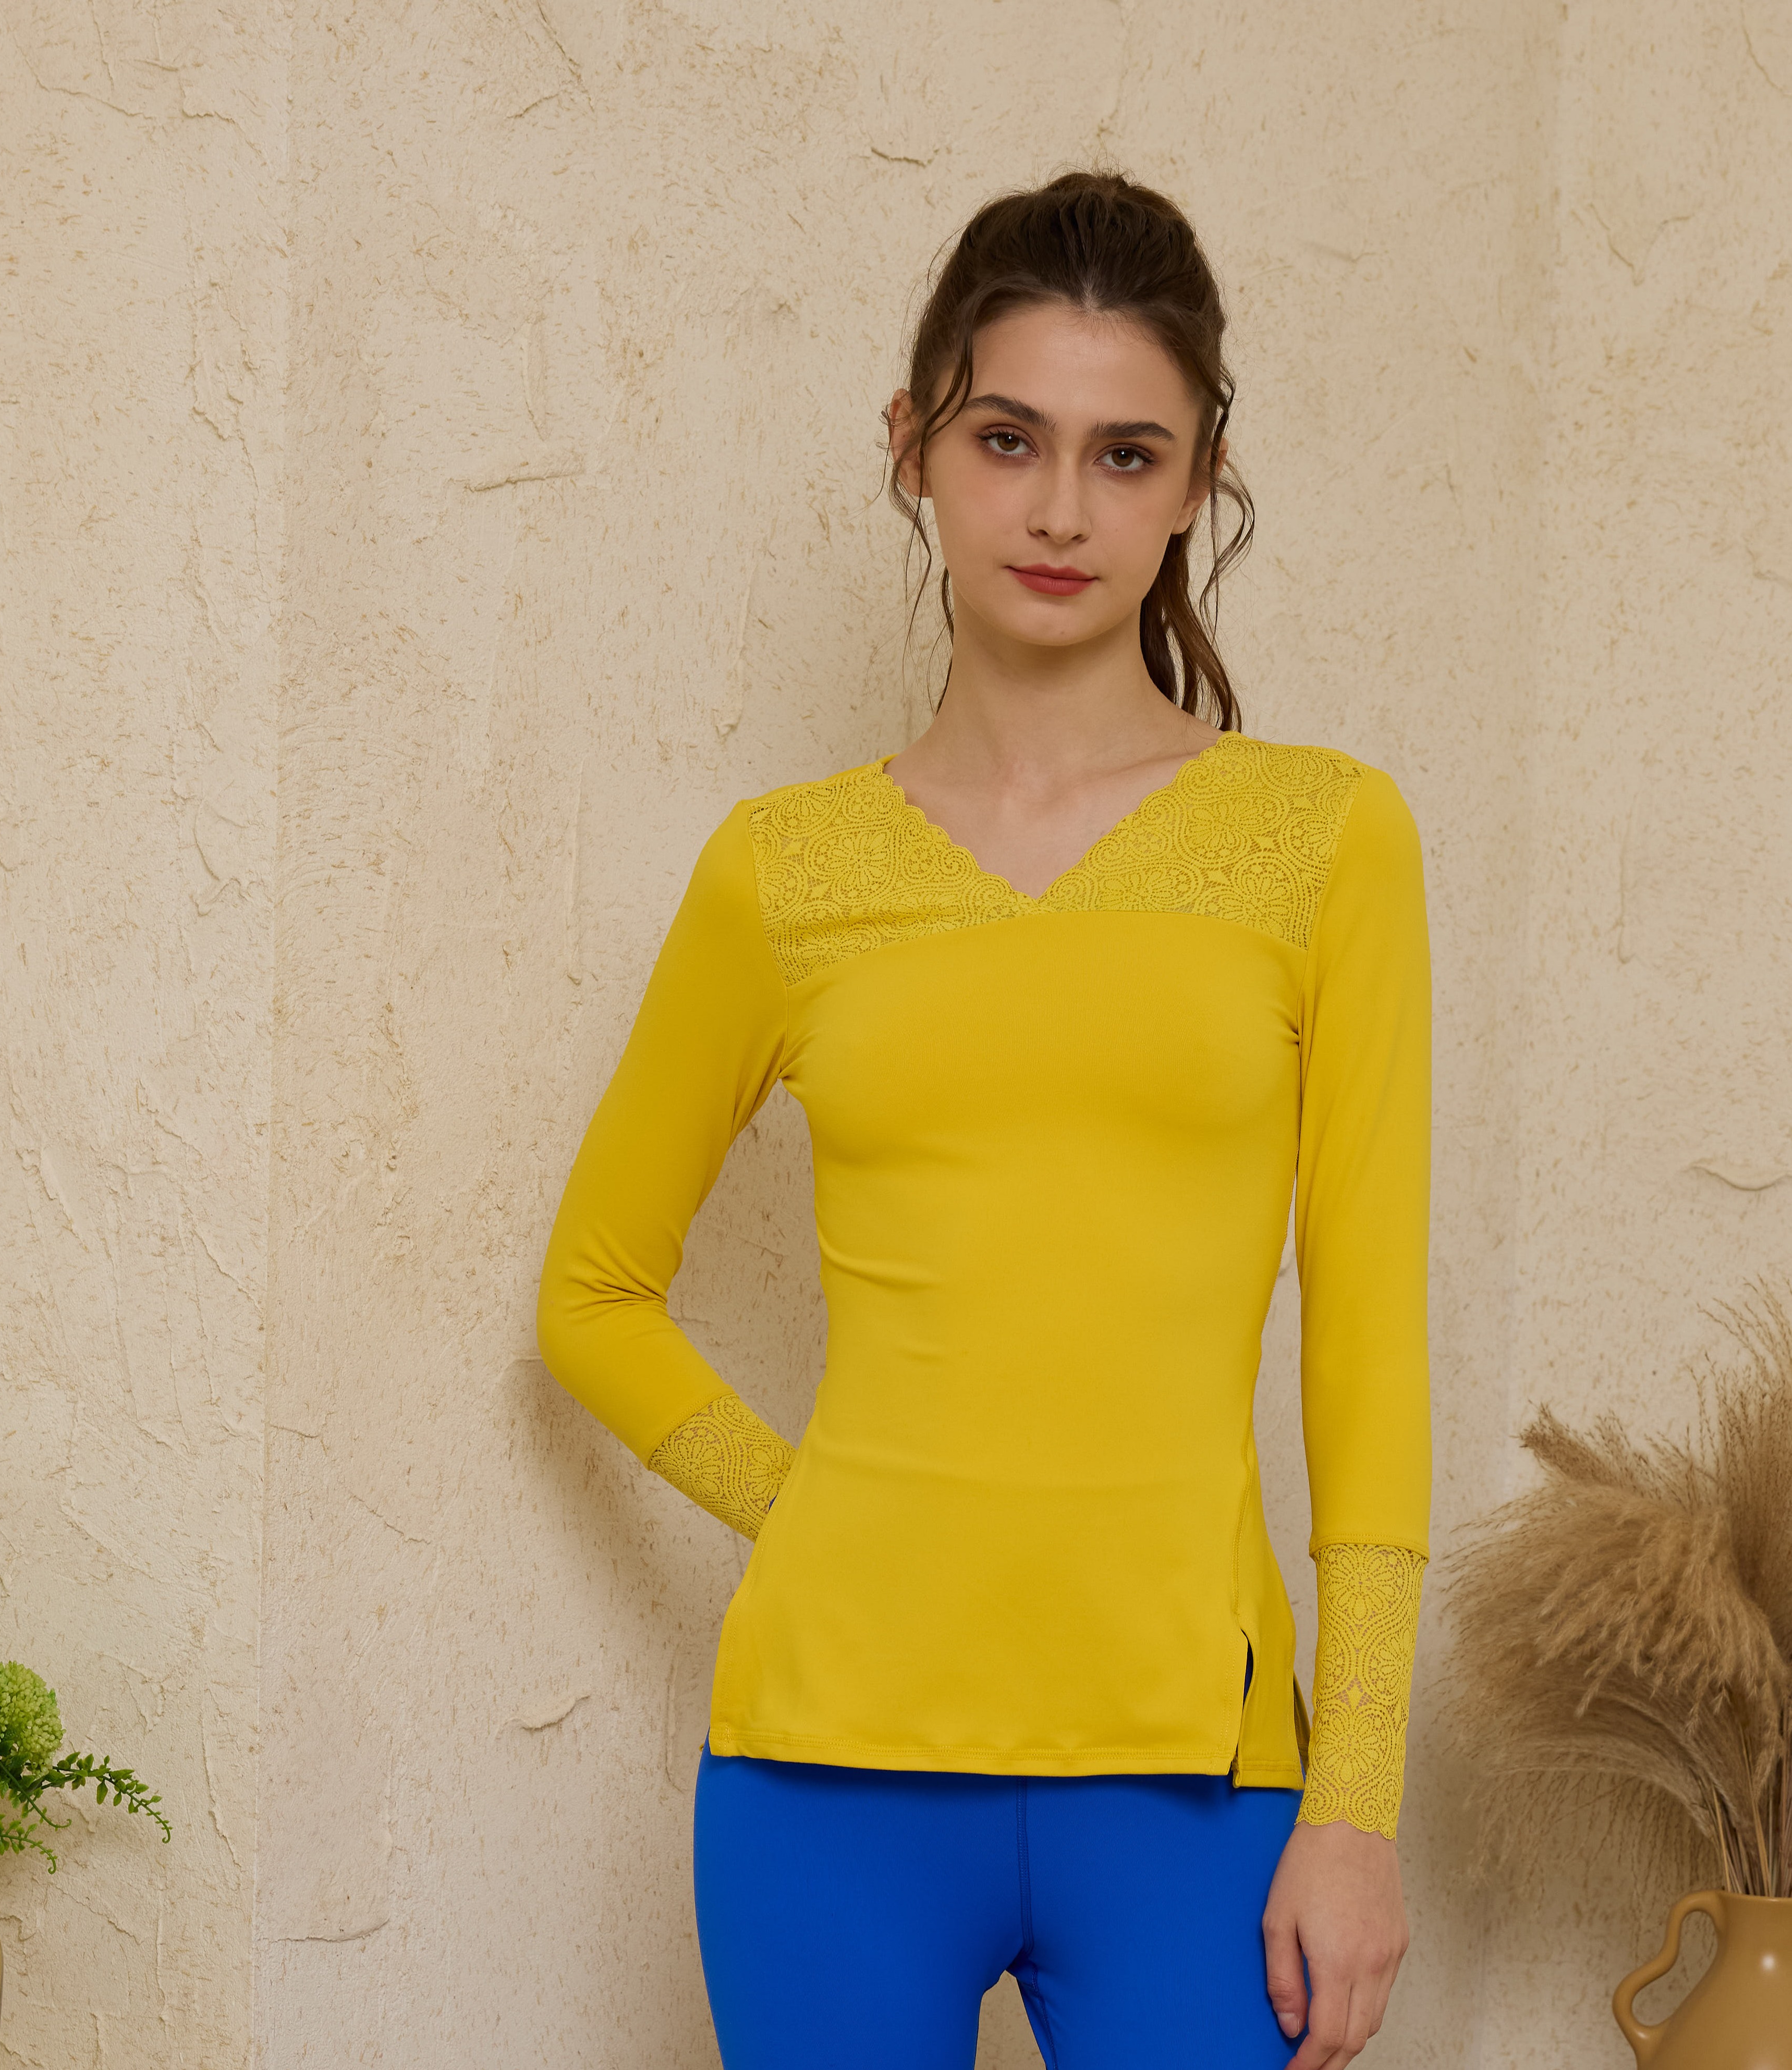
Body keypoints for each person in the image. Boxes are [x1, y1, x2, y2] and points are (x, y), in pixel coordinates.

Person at [537, 169, 1431, 2070]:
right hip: (824, 1774)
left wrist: (1355, 1798)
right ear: (914, 446)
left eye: (1126, 454)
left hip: (1196, 1781)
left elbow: (1370, 1364)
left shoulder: (1326, 842)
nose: (1059, 510)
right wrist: (812, 1509)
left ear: (1198, 483)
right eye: (1008, 438)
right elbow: (591, 1293)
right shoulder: (782, 873)